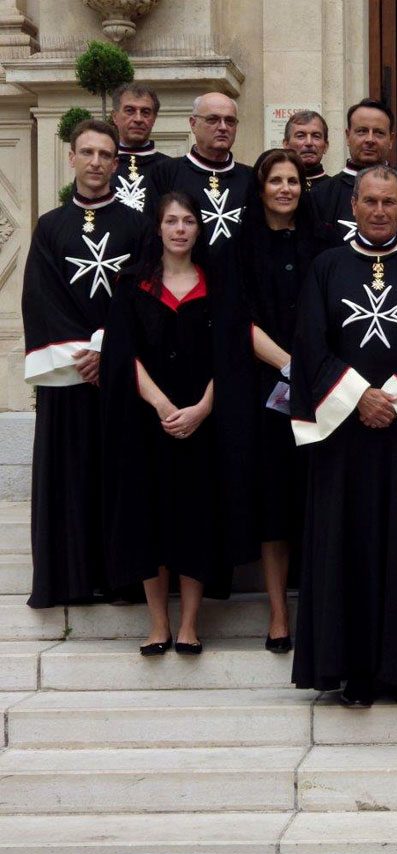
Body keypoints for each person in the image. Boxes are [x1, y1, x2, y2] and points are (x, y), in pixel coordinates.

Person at [290, 164, 397, 707]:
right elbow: (310, 346)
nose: (380, 211)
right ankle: (354, 672)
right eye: (370, 201)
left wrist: (392, 398)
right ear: (353, 205)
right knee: (351, 548)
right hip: (345, 440)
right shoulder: (326, 268)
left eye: (390, 202)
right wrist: (357, 398)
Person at [100, 191, 258, 655]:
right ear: (158, 227)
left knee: (196, 517)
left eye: (189, 220)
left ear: (199, 228)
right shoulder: (132, 284)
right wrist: (161, 405)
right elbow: (120, 353)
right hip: (147, 422)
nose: (180, 229)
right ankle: (157, 623)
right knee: (148, 516)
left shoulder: (218, 284)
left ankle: (189, 623)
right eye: (171, 221)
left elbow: (230, 356)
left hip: (204, 421)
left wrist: (205, 407)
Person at [21, 119, 151, 609]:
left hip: (121, 373)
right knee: (71, 475)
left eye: (105, 154)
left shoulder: (139, 227)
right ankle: (71, 578)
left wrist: (108, 348)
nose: (96, 162)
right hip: (69, 377)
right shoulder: (50, 226)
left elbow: (145, 294)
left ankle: (124, 578)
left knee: (122, 477)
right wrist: (84, 352)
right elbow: (40, 296)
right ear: (71, 158)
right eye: (88, 152)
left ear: (117, 163)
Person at [237, 148, 343, 653]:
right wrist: (288, 364)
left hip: (326, 387)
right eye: (275, 181)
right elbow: (238, 318)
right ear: (260, 189)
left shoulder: (326, 243)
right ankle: (279, 615)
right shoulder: (237, 245)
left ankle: (324, 612)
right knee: (274, 503)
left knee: (319, 501)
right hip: (266, 390)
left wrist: (313, 369)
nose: (285, 189)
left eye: (293, 181)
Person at [150, 93, 252, 256]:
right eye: (213, 119)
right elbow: (152, 233)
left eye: (230, 121)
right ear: (193, 123)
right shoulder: (165, 172)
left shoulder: (251, 177)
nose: (223, 127)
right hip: (185, 278)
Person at [311, 98, 397, 240]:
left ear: (391, 140)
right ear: (347, 136)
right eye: (362, 131)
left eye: (378, 133)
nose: (370, 139)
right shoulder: (320, 196)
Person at [110, 82, 168, 214]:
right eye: (130, 111)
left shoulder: (170, 169)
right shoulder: (100, 165)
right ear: (115, 117)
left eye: (145, 112)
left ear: (154, 119)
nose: (138, 119)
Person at [282, 110, 330, 189]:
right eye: (300, 136)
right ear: (286, 145)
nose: (309, 143)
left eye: (316, 136)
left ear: (325, 146)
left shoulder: (337, 188)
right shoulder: (277, 189)